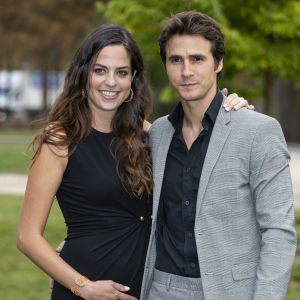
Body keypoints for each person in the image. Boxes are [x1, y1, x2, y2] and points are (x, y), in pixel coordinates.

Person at [17, 23, 251, 300]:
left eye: (122, 72)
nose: (111, 82)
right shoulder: (59, 140)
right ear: (83, 76)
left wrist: (231, 109)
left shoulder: (149, 134)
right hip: (87, 286)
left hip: (147, 286)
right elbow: (27, 237)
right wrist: (82, 286)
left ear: (133, 82)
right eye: (100, 70)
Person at [140, 11, 296, 300]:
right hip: (161, 289)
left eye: (197, 59)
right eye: (176, 60)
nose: (186, 71)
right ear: (166, 65)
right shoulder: (158, 134)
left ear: (218, 63)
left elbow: (278, 232)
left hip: (230, 291)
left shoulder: (257, 131)